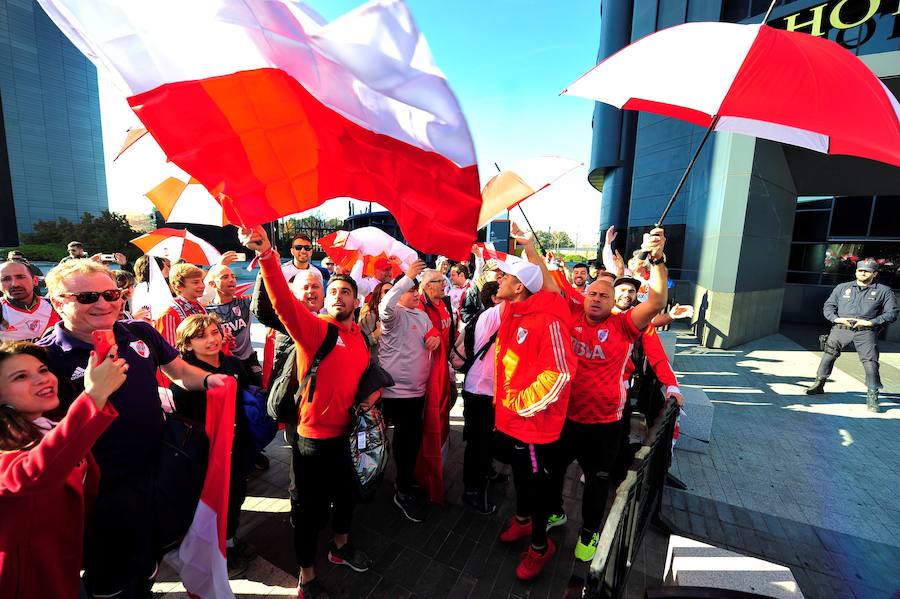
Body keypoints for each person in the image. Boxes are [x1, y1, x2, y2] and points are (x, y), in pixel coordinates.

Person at [38, 258, 229, 598]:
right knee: (109, 577)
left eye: (111, 294)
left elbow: (181, 373)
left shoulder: (141, 332)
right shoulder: (44, 359)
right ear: (57, 302)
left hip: (158, 472)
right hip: (99, 493)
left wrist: (211, 379)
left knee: (149, 556)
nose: (103, 303)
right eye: (87, 298)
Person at [241, 225, 375, 599]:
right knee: (308, 511)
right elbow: (283, 302)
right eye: (331, 290)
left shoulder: (359, 338)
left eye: (344, 291)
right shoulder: (316, 330)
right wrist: (268, 255)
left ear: (356, 302)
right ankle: (307, 577)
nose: (336, 295)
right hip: (312, 441)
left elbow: (368, 374)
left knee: (348, 496)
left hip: (348, 439)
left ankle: (340, 548)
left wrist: (371, 400)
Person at [527, 225, 671, 563]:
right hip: (566, 416)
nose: (597, 298)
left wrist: (658, 259)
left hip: (605, 423)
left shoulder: (624, 325)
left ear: (613, 303)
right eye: (593, 293)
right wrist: (527, 244)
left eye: (604, 296)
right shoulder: (573, 312)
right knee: (552, 471)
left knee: (596, 482)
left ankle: (589, 533)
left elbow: (657, 300)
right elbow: (547, 281)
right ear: (585, 295)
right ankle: (556, 512)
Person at [0, 341, 127, 599]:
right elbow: (33, 472)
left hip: (65, 570)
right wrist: (93, 396)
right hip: (26, 583)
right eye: (21, 376)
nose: (42, 380)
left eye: (43, 370)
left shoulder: (50, 426)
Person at [490, 233, 577, 582]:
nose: (500, 279)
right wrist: (525, 247)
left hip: (535, 426)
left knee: (539, 489)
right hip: (513, 422)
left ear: (520, 288)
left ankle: (541, 546)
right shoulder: (515, 310)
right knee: (522, 479)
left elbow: (559, 372)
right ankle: (524, 520)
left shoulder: (548, 319)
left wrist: (521, 405)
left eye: (507, 277)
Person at [172, 314, 257, 577]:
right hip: (205, 452)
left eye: (215, 332)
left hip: (237, 444)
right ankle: (211, 549)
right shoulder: (185, 374)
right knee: (209, 502)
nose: (211, 340)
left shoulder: (232, 363)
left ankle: (229, 540)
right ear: (186, 344)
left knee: (236, 495)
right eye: (201, 336)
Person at [378, 259, 441, 522]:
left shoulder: (423, 315)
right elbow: (385, 305)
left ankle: (403, 486)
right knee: (381, 444)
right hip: (390, 394)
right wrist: (406, 276)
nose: (416, 293)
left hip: (416, 394)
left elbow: (430, 333)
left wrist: (433, 337)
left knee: (408, 445)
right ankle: (374, 484)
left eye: (417, 289)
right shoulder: (393, 316)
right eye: (411, 289)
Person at [807, 258, 897, 412]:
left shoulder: (884, 291)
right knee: (828, 356)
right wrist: (836, 318)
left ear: (874, 273)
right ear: (856, 271)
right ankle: (819, 384)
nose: (863, 273)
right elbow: (829, 306)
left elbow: (892, 313)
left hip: (866, 332)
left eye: (867, 271)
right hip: (840, 328)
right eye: (860, 270)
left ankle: (872, 394)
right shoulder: (842, 287)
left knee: (870, 363)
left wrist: (872, 322)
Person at [460, 280, 504, 514]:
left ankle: (485, 470)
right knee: (477, 442)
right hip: (479, 390)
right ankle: (471, 491)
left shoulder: (494, 315)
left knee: (485, 439)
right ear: (495, 299)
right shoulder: (492, 315)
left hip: (489, 390)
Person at [205, 264, 263, 386]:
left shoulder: (246, 302)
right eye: (225, 277)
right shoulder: (206, 312)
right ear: (212, 284)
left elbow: (266, 291)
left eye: (233, 276)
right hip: (224, 364)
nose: (231, 280)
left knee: (260, 397)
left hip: (250, 361)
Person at [0, 260, 60, 342]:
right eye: (5, 279)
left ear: (35, 281)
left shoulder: (56, 306)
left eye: (20, 277)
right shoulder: (2, 309)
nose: (15, 284)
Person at [155, 262, 207, 348]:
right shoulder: (169, 313)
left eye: (202, 281)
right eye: (195, 282)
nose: (202, 285)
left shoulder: (199, 306)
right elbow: (169, 350)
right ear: (179, 286)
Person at [358, 281, 393, 360]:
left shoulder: (400, 313)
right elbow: (360, 343)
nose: (391, 293)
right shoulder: (370, 315)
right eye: (387, 291)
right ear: (379, 296)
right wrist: (376, 334)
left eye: (394, 290)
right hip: (376, 364)